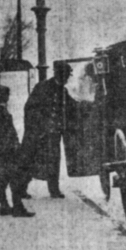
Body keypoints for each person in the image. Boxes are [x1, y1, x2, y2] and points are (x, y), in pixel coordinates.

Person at [21, 62, 76, 199]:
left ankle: (54, 190)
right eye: (65, 75)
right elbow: (29, 108)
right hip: (37, 134)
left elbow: (72, 107)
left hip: (53, 134)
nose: (67, 78)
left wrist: (87, 106)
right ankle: (21, 189)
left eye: (68, 76)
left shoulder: (63, 91)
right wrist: (40, 125)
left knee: (53, 161)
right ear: (58, 74)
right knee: (29, 161)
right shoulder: (42, 87)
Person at [0, 85, 35, 217]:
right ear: (4, 97)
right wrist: (16, 148)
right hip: (8, 152)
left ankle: (4, 205)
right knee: (15, 179)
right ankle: (17, 207)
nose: (8, 97)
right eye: (7, 95)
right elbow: (9, 134)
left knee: (1, 179)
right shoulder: (3, 114)